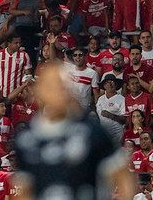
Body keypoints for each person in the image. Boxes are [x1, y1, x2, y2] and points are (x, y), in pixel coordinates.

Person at [13, 61, 134, 199]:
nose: (58, 93)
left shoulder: (92, 131)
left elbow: (122, 176)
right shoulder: (26, 139)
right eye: (51, 87)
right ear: (40, 91)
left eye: (62, 87)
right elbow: (24, 190)